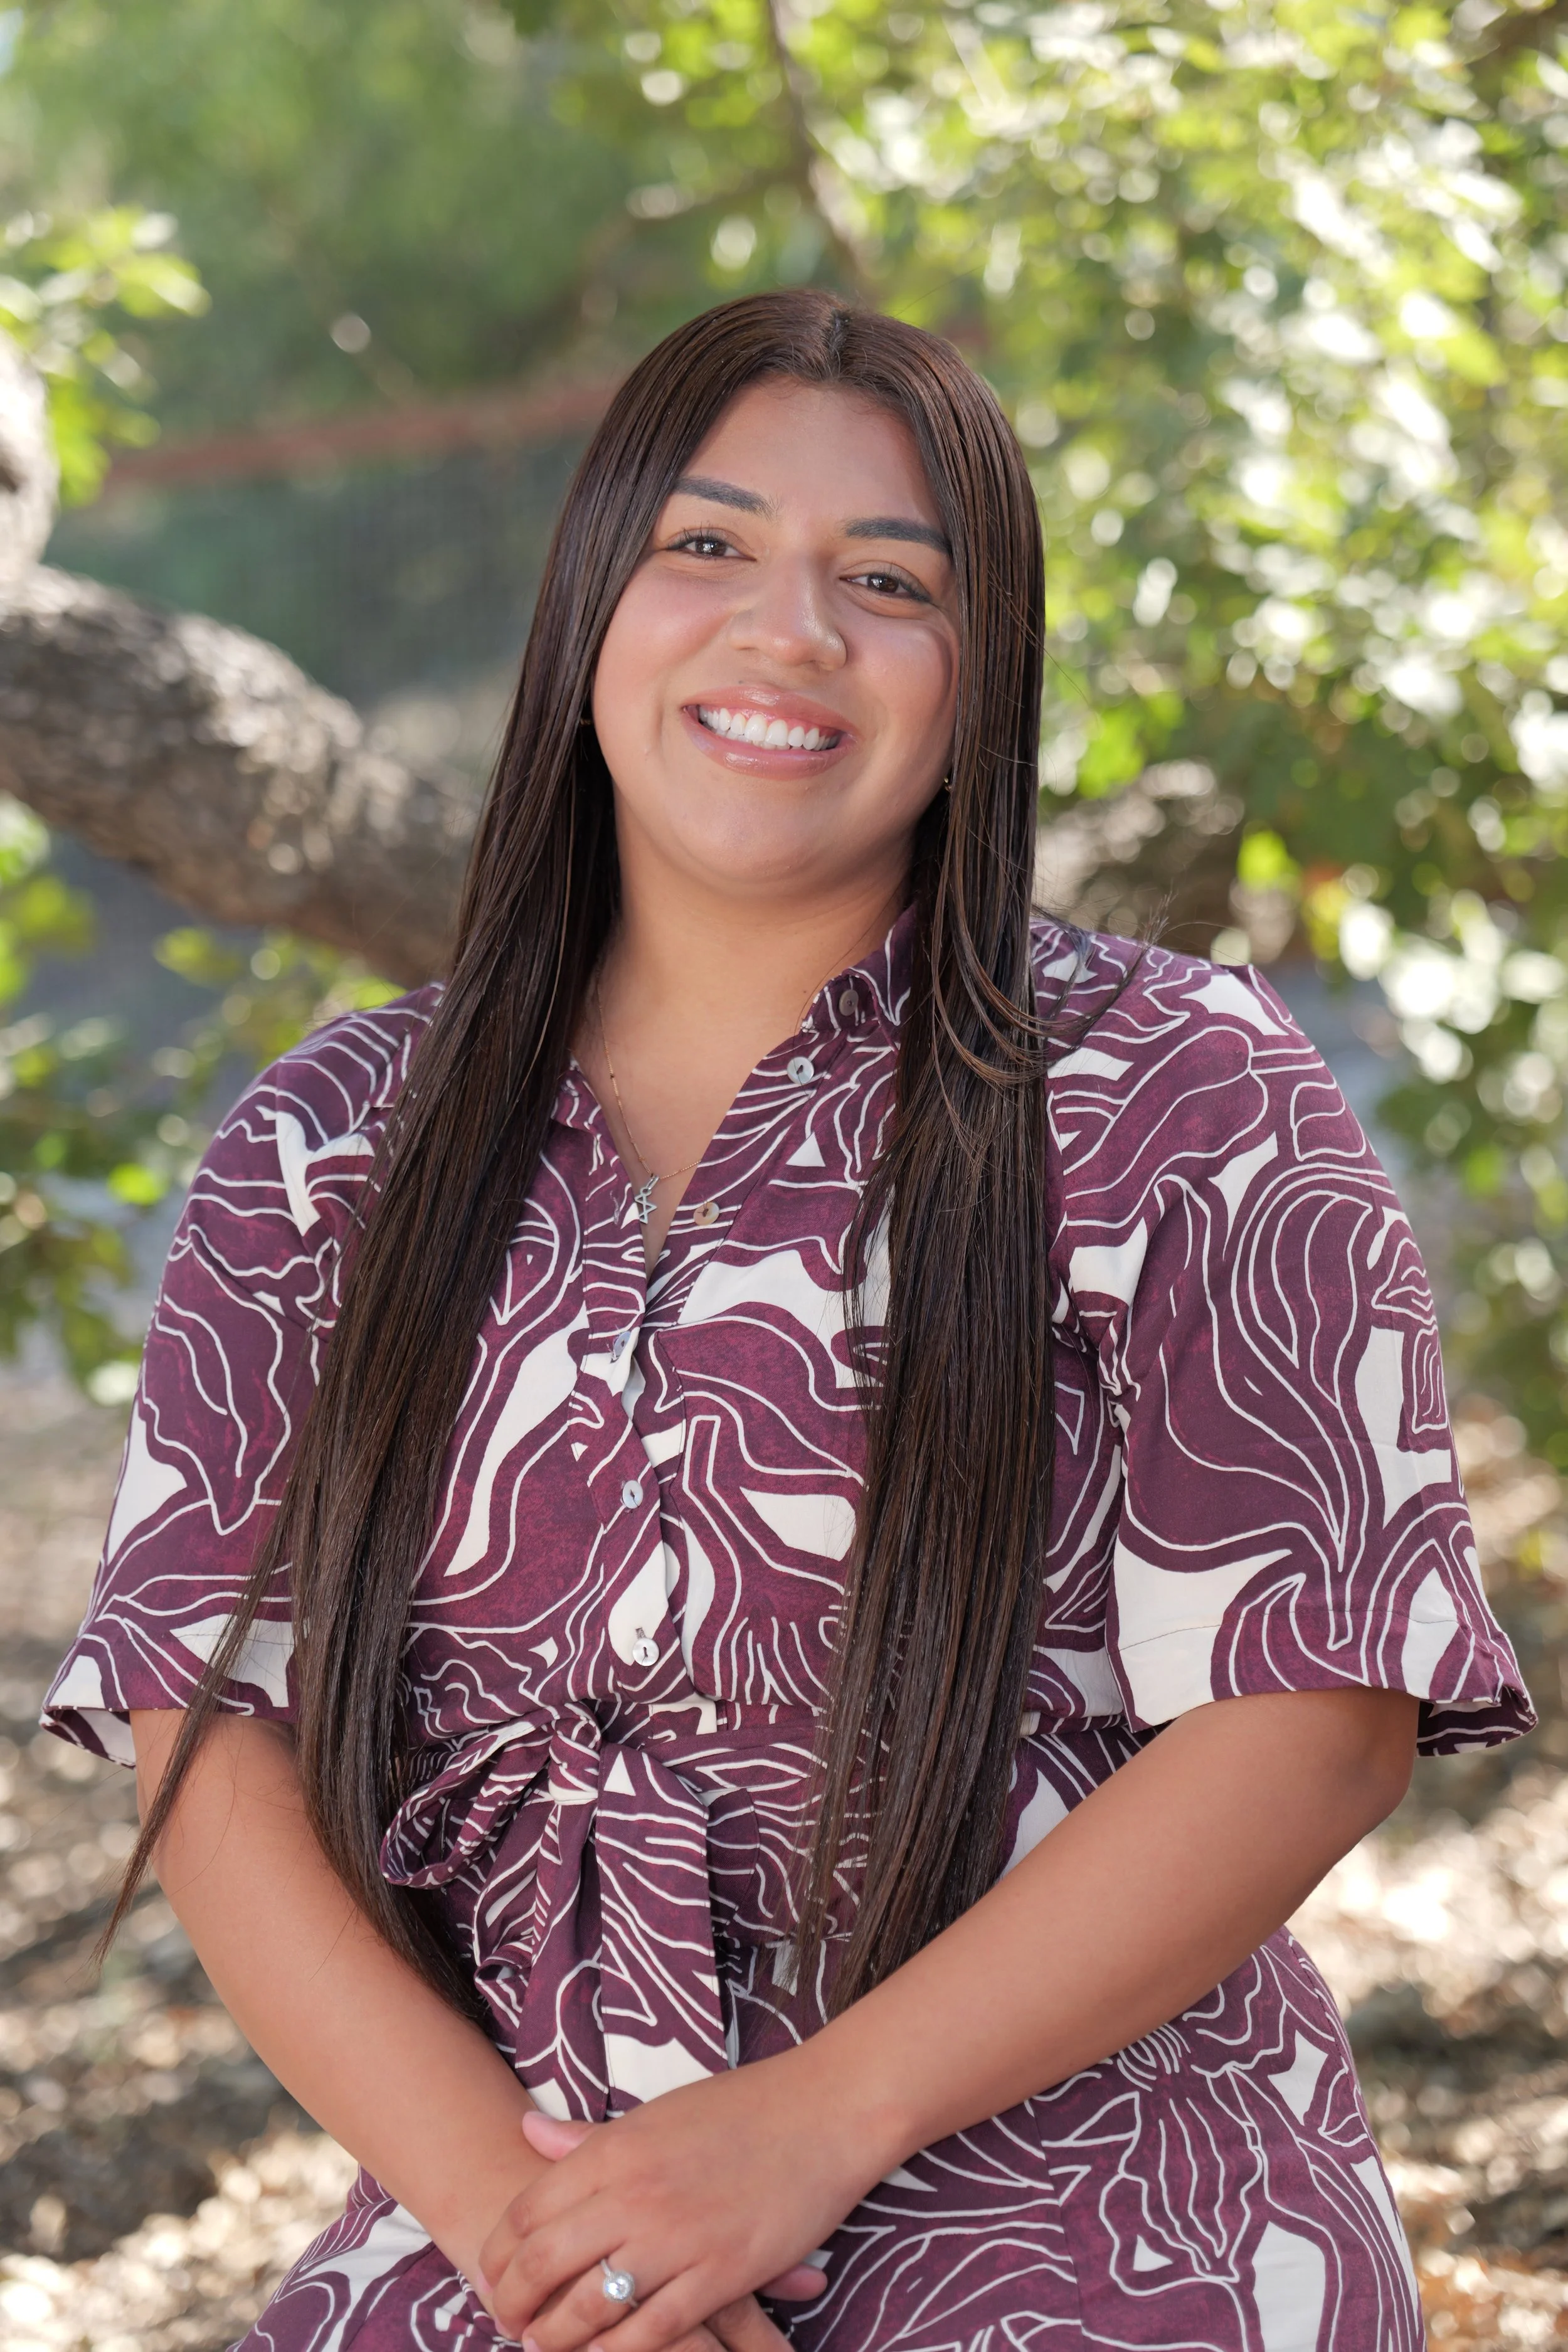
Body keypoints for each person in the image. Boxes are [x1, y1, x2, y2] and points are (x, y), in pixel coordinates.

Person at [45, 289, 1529, 2352]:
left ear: (977, 671)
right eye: (709, 545)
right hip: (522, 2208)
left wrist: (794, 2139)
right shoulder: (327, 1147)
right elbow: (211, 1742)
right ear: (589, 607)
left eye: (889, 581)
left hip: (1095, 2211)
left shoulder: (1174, 1085)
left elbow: (1313, 1714)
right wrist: (537, 2235)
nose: (789, 631)